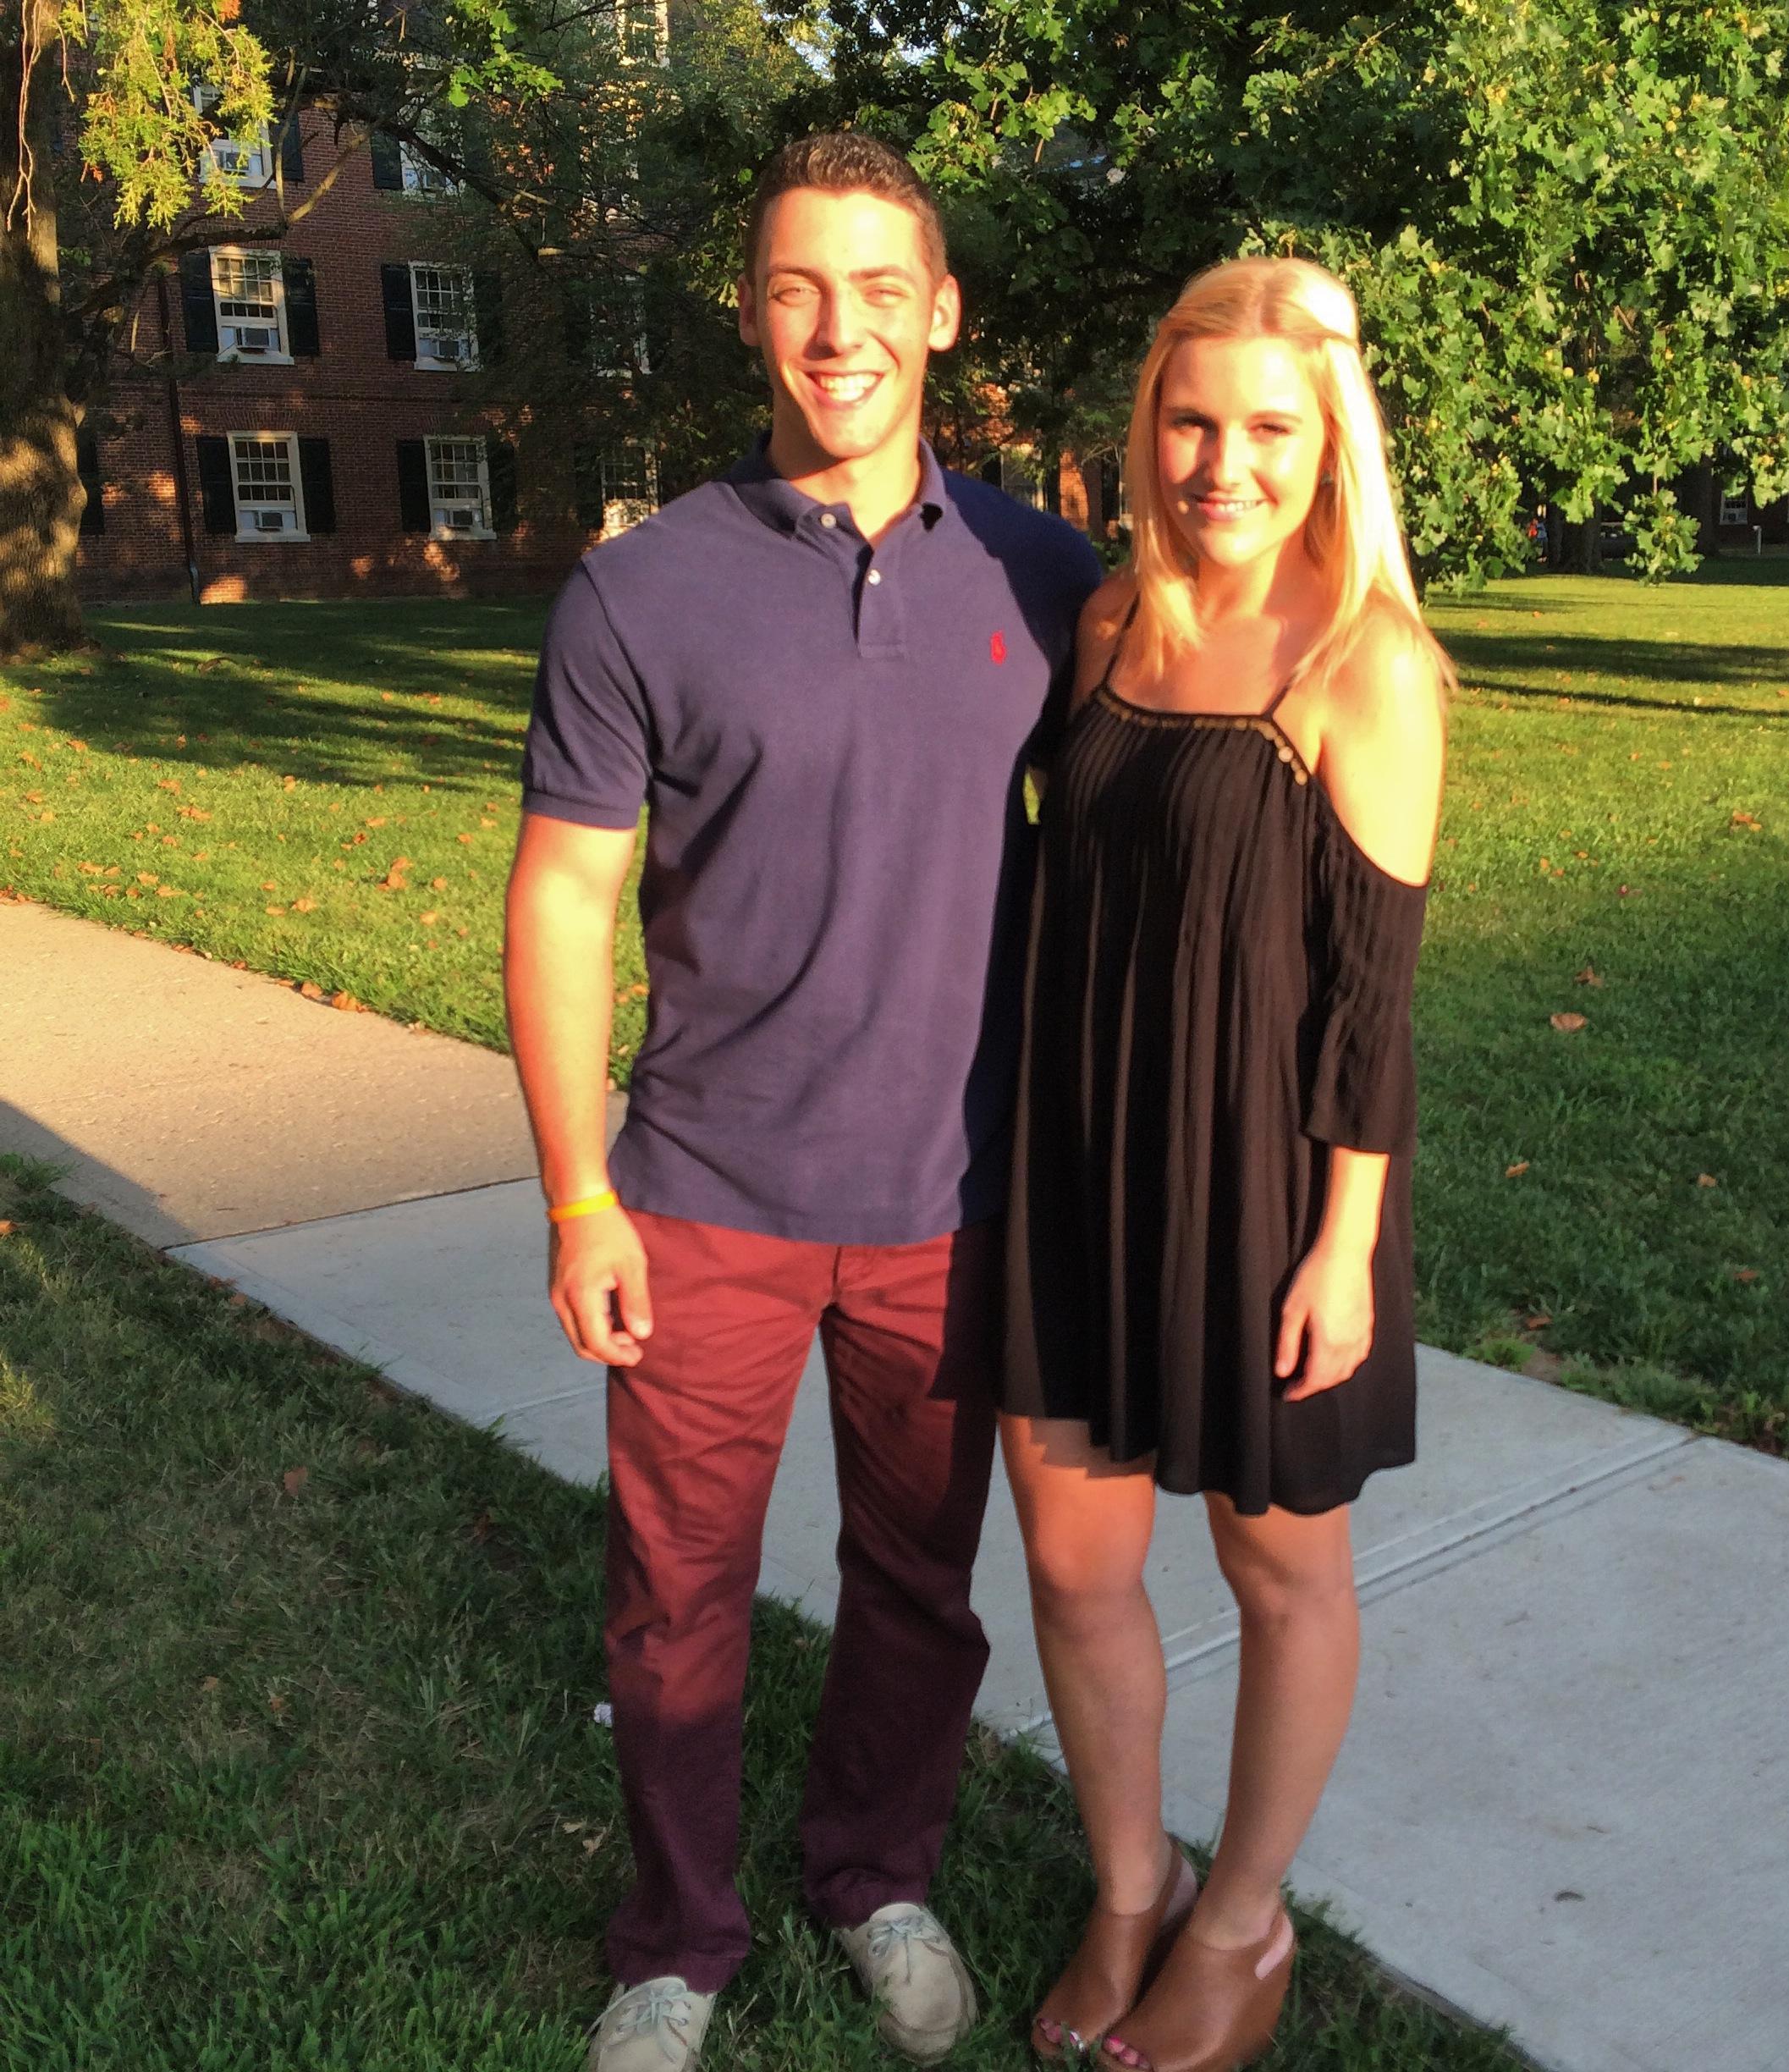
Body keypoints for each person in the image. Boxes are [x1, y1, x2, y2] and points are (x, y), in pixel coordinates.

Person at [505, 132, 1101, 2072]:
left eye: (874, 289)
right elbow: (566, 895)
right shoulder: (642, 591)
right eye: (793, 288)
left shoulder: (1048, 575)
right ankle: (677, 1939)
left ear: (941, 314)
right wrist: (580, 1196)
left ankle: (875, 1869)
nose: (835, 330)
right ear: (753, 313)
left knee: (916, 1586)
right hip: (703, 1195)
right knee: (675, 1596)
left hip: (956, 1200)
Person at [999, 256, 1450, 2072]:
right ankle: (1131, 1886)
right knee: (1071, 1562)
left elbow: (1371, 1002)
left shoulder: (1369, 664)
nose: (1224, 461)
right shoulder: (1107, 622)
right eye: (1193, 420)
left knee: (1281, 1575)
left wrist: (1343, 1247)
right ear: (1148, 425)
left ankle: (1244, 1921)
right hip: (1078, 1152)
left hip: (1267, 1191)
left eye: (1270, 426)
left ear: (1327, 441)